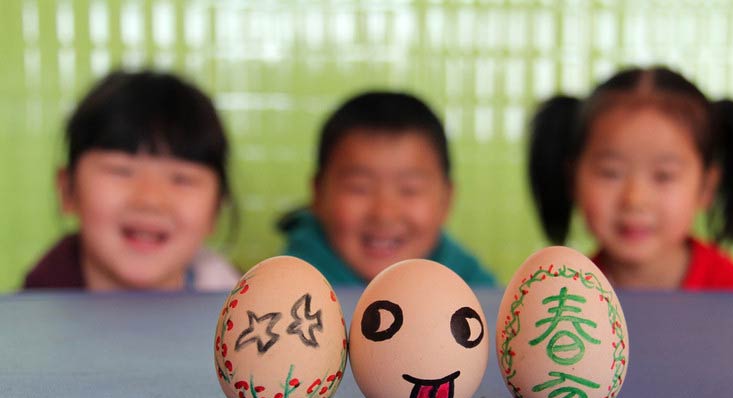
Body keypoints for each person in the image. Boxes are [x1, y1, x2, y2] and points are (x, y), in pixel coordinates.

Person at [527, 66, 733, 291]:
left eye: (664, 176)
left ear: (706, 187)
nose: (635, 199)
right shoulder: (562, 297)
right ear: (573, 180)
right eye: (610, 172)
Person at [23, 70, 240, 291]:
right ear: (67, 190)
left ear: (217, 208)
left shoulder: (231, 299)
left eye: (181, 179)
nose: (150, 200)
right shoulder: (25, 313)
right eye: (121, 171)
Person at [279, 90, 496, 286]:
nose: (384, 213)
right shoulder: (287, 290)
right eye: (359, 188)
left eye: (410, 189)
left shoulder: (471, 286)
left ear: (446, 200)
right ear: (318, 193)